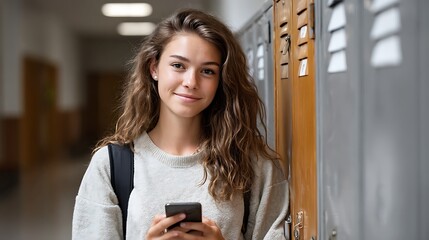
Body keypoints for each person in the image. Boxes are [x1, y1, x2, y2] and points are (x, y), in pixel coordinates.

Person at [72, 8, 289, 240]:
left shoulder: (254, 165)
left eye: (207, 71)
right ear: (154, 68)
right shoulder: (111, 165)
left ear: (221, 80)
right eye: (178, 66)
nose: (191, 82)